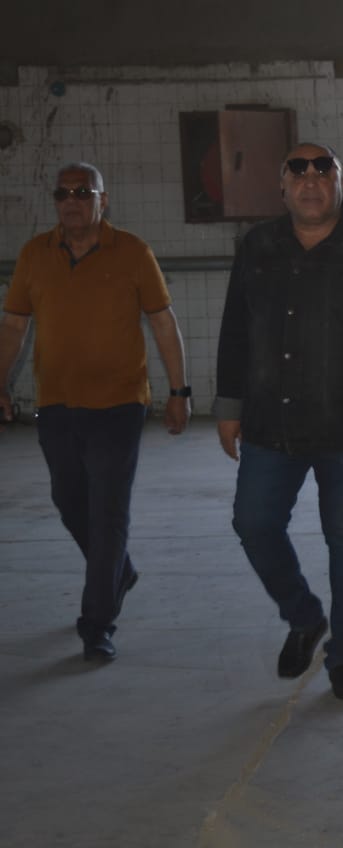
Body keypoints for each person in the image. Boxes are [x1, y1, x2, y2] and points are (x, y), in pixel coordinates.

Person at [215, 143, 343, 700]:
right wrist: (229, 405)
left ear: (340, 183)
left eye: (323, 170)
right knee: (253, 524)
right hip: (270, 424)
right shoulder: (258, 246)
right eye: (298, 171)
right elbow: (235, 329)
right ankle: (304, 615)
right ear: (282, 186)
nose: (311, 180)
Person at [0, 161, 190, 661]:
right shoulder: (34, 254)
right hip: (56, 403)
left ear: (103, 200)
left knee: (108, 511)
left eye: (83, 192)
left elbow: (163, 323)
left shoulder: (132, 252)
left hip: (118, 405)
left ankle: (97, 623)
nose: (72, 201)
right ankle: (118, 571)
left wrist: (179, 390)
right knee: (69, 500)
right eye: (63, 193)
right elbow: (14, 326)